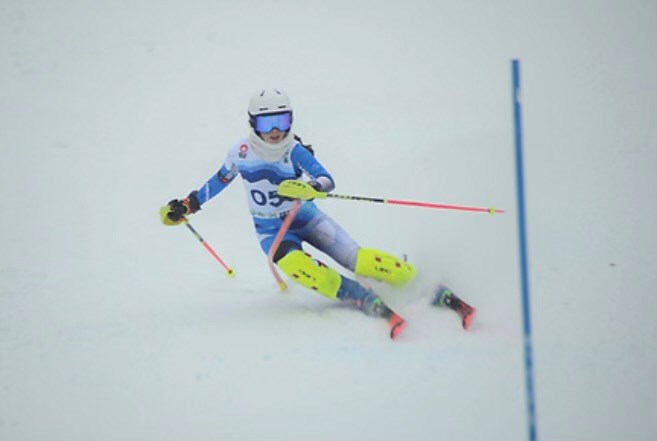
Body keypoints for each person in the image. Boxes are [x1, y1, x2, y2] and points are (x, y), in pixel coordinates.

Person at [160, 88, 416, 334]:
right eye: (265, 124)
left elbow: (326, 179)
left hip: (308, 219)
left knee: (360, 261)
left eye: (281, 121)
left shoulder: (294, 149)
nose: (274, 131)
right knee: (303, 269)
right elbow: (220, 180)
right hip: (272, 231)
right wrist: (189, 204)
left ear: (290, 120)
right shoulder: (241, 152)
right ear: (253, 124)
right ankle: (359, 296)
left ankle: (414, 278)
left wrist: (310, 187)